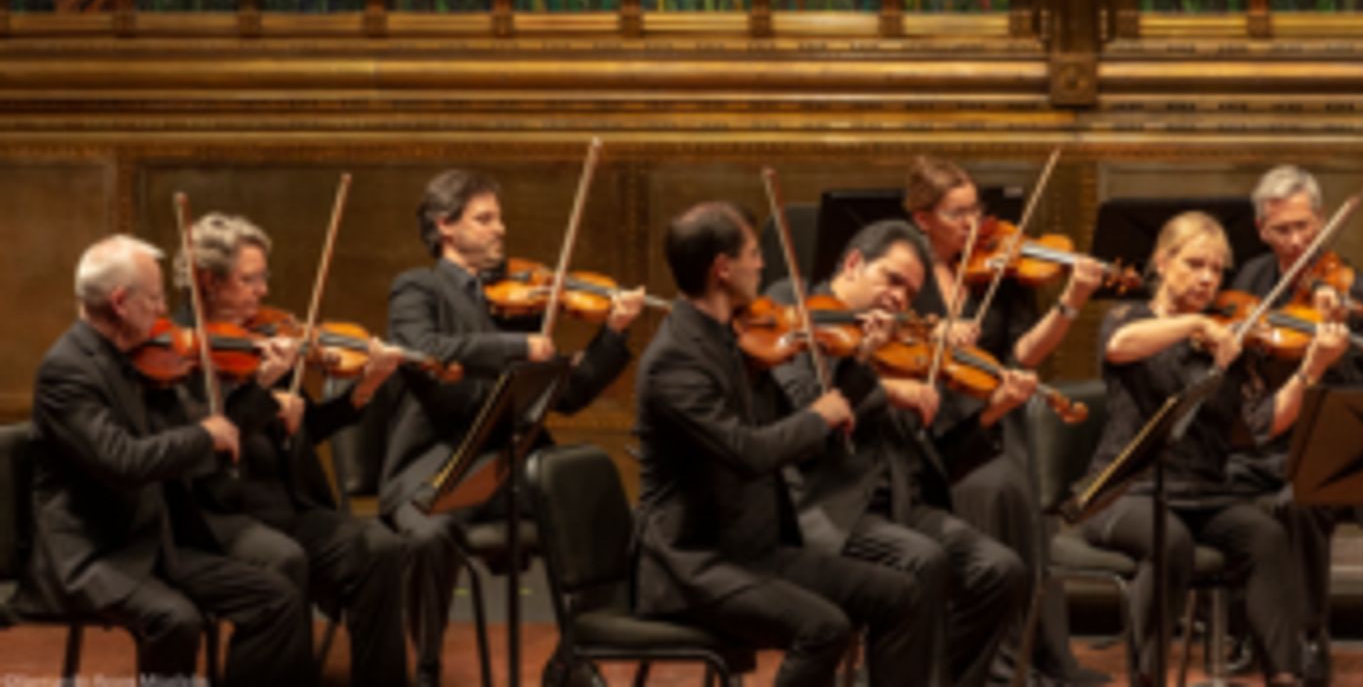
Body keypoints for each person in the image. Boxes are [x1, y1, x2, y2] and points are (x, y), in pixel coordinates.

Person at [634, 201, 934, 686]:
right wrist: (819, 416)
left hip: (751, 548)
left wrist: (859, 363)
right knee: (824, 628)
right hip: (693, 564)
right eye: (753, 253)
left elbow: (801, 434)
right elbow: (748, 454)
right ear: (722, 268)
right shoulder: (676, 361)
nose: (762, 264)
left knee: (901, 595)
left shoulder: (735, 342)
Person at [380, 169, 645, 686]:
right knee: (428, 538)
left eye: (499, 218)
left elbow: (564, 397)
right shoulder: (418, 287)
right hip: (436, 463)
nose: (500, 229)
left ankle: (572, 656)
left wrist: (611, 336)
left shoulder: (518, 297)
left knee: (601, 507)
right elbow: (423, 349)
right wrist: (516, 348)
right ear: (446, 227)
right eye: (485, 219)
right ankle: (427, 668)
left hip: (510, 464)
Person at [16, 234, 312, 683]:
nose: (161, 312)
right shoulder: (69, 370)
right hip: (90, 558)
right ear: (120, 301)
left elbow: (201, 440)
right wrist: (202, 434)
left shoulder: (131, 360)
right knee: (176, 618)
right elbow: (125, 462)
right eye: (153, 298)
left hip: (147, 544)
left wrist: (257, 394)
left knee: (276, 598)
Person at [1081, 211, 1348, 686]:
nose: (1208, 277)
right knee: (1171, 543)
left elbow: (1265, 422)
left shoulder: (1230, 338)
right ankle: (1148, 678)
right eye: (1194, 263)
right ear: (1162, 262)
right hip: (1125, 491)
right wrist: (1192, 326)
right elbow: (1120, 346)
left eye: (1217, 269)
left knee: (1266, 536)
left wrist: (1312, 369)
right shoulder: (1130, 317)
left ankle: (1285, 676)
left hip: (1204, 491)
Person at [766, 219, 1029, 687]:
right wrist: (870, 372)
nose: (900, 299)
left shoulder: (899, 341)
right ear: (852, 263)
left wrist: (992, 413)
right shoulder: (795, 305)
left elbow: (938, 462)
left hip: (902, 505)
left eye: (910, 292)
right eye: (892, 279)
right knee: (922, 561)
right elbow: (807, 409)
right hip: (828, 506)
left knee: (1001, 570)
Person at [177, 212, 410, 687]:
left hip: (289, 508)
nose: (263, 291)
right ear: (207, 282)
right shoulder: (174, 352)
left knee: (380, 548)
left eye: (263, 277)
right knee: (285, 559)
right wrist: (258, 392)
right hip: (217, 517)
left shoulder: (265, 339)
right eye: (249, 279)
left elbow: (304, 429)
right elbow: (196, 448)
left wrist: (362, 393)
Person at [905, 157, 1104, 684]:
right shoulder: (905, 271)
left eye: (978, 209)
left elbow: (1022, 353)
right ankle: (988, 659)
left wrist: (1071, 300)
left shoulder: (999, 268)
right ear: (923, 219)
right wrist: (934, 330)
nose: (976, 224)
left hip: (992, 416)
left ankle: (1030, 653)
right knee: (996, 487)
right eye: (958, 213)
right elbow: (885, 334)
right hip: (924, 426)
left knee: (1016, 486)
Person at [1226, 165, 1363, 682]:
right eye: (1282, 230)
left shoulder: (1354, 289)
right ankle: (1245, 630)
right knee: (1212, 490)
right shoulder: (1249, 280)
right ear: (1261, 230)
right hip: (1262, 441)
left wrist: (1331, 349)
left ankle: (1305, 635)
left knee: (1299, 503)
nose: (1295, 241)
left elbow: (1357, 394)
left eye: (1304, 226)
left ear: (1321, 221)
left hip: (1329, 451)